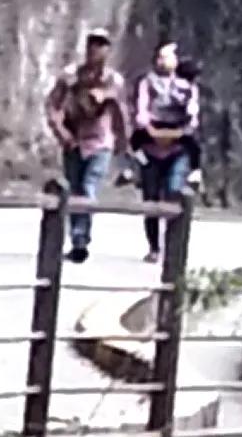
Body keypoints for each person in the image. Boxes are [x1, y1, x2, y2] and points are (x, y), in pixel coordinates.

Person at [45, 28, 131, 264]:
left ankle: (81, 238)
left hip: (100, 142)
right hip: (73, 140)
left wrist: (124, 142)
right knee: (74, 189)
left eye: (102, 44)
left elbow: (118, 110)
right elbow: (53, 106)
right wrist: (61, 132)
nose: (96, 48)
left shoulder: (113, 80)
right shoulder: (70, 76)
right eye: (93, 43)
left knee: (88, 186)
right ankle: (77, 241)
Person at [131, 40, 204, 262]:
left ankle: (173, 243)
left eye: (168, 56)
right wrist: (152, 132)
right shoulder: (146, 83)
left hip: (177, 145)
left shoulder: (187, 88)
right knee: (151, 198)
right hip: (151, 144)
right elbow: (141, 114)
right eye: (160, 56)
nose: (163, 61)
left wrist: (176, 134)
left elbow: (192, 118)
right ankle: (154, 247)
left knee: (174, 191)